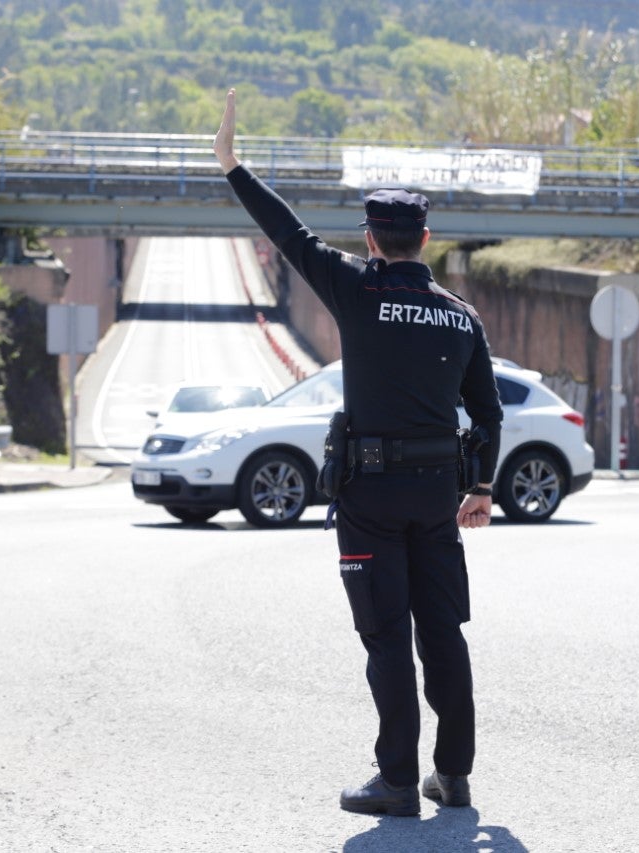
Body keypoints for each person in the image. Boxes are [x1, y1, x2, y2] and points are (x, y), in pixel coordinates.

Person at [213, 89, 503, 817]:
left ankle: (398, 782)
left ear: (371, 239)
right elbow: (490, 412)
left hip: (371, 495)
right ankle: (455, 777)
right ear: (426, 238)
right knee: (443, 632)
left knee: (385, 637)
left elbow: (287, 232)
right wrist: (483, 489)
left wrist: (234, 167)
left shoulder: (354, 287)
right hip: (439, 493)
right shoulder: (460, 315)